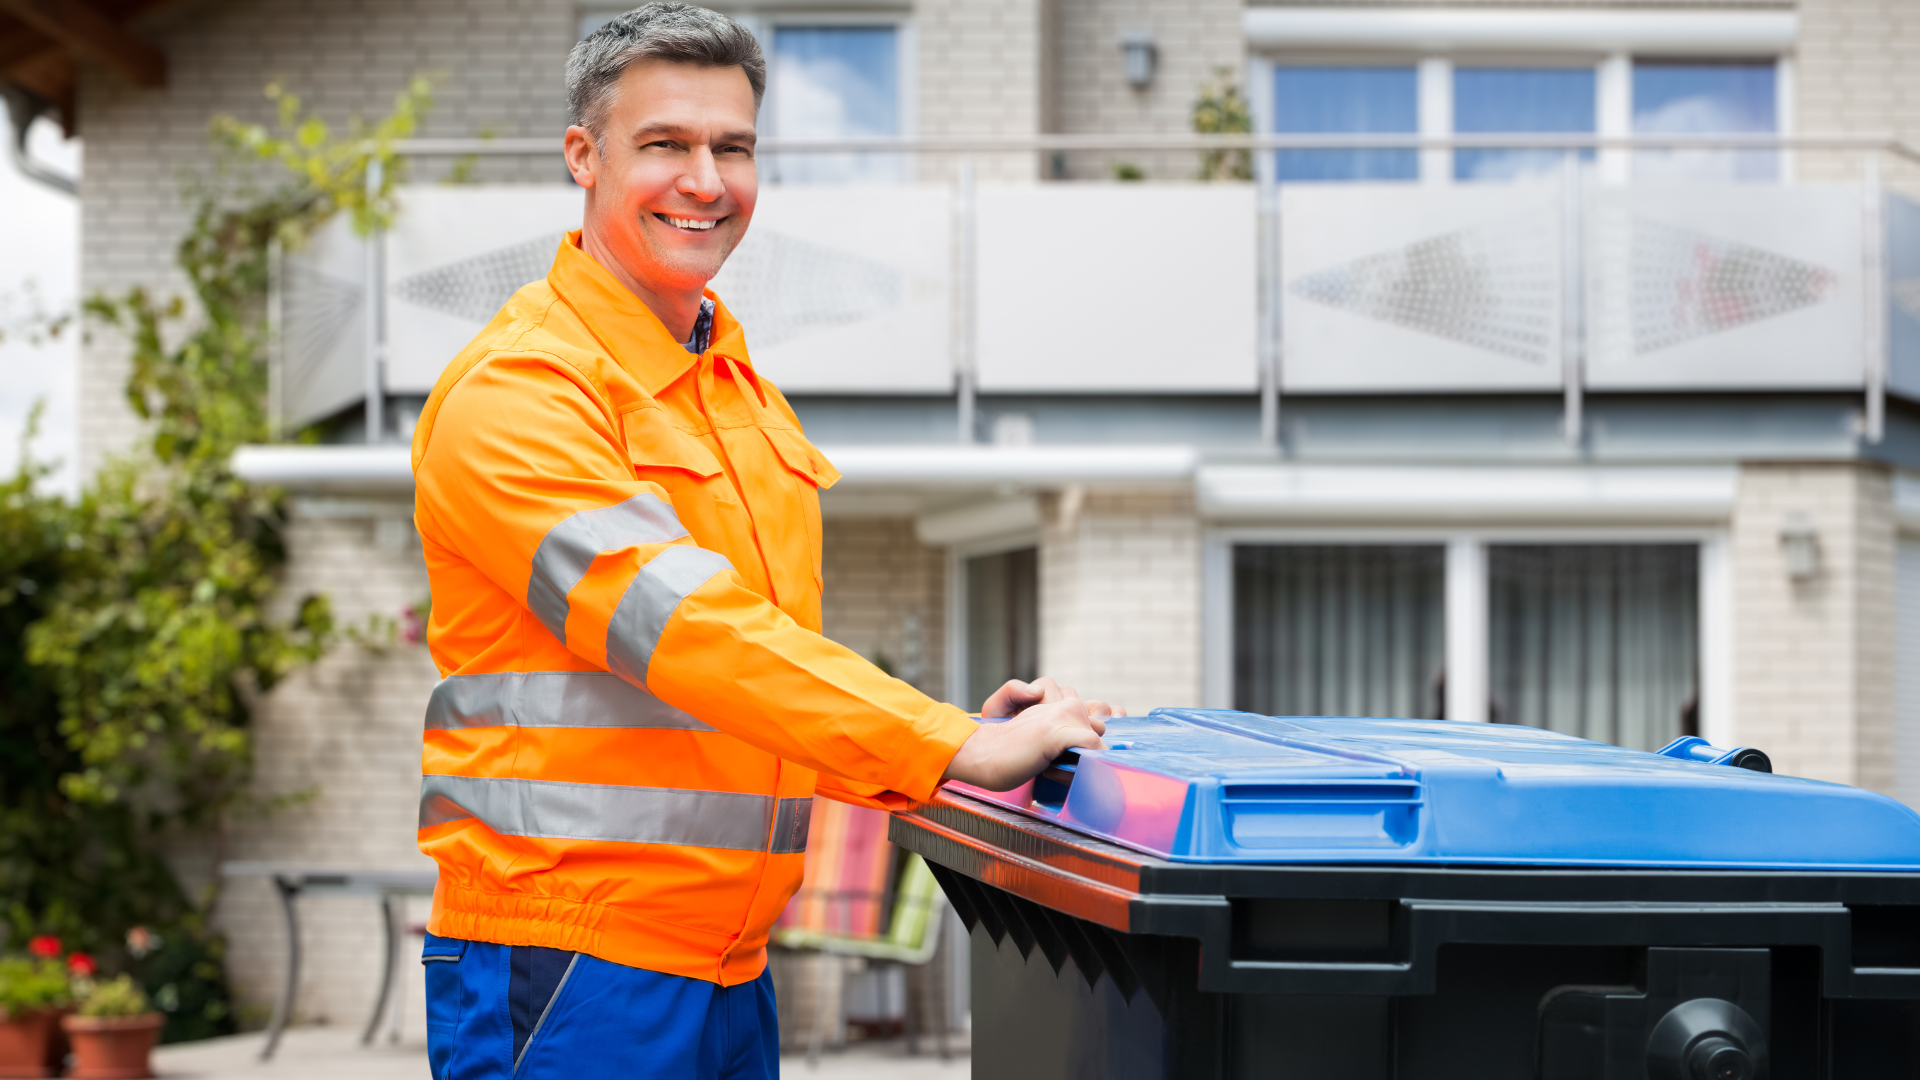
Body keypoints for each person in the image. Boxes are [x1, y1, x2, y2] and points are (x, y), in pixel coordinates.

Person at [408, 6, 1113, 1077]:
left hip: (732, 963)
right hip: (570, 963)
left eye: (731, 148)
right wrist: (943, 745)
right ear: (583, 158)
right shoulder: (517, 393)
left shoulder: (736, 394)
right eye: (666, 145)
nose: (706, 180)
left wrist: (957, 751)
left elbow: (759, 690)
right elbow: (690, 633)